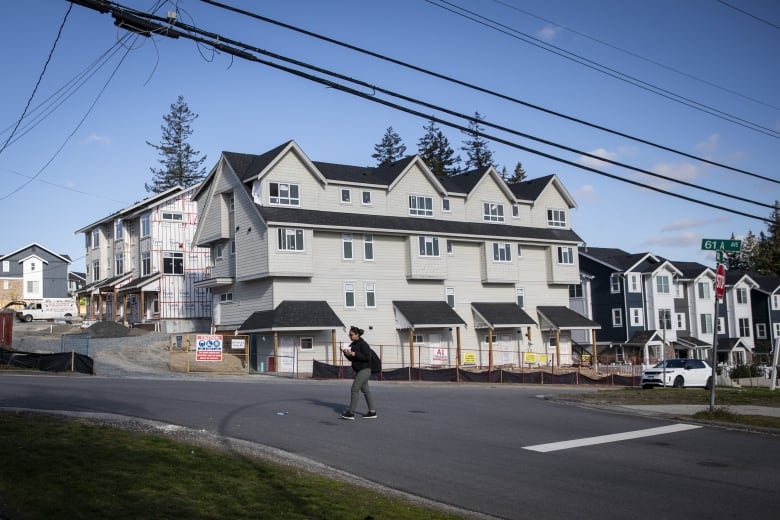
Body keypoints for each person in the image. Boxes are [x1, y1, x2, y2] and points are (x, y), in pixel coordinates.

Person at [341, 325, 377, 420]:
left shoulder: (363, 344)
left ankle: (351, 412)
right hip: (359, 370)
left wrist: (355, 354)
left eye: (351, 335)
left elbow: (367, 357)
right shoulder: (353, 344)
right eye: (349, 335)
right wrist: (346, 353)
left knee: (354, 389)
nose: (350, 336)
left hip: (365, 369)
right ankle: (372, 412)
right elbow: (352, 358)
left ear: (357, 335)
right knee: (365, 391)